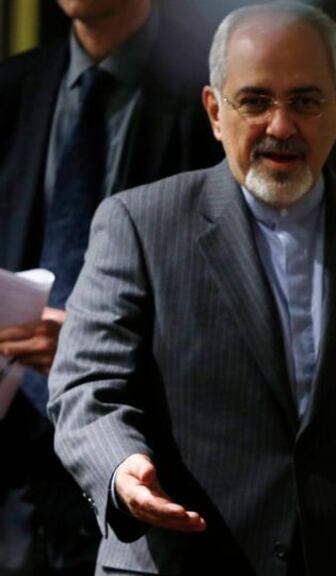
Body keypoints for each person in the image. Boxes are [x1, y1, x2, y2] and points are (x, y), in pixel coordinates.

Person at [46, 2, 336, 574]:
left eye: (305, 101)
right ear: (214, 111)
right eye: (255, 101)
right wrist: (122, 467)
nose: (280, 126)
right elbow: (86, 384)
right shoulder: (139, 224)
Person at [0, 1, 221, 573]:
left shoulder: (210, 93)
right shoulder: (15, 86)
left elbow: (229, 300)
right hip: (12, 464)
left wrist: (84, 343)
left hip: (146, 463)